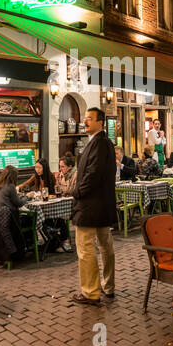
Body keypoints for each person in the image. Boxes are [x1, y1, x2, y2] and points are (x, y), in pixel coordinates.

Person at [71, 107, 117, 306]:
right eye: (84, 118)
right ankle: (108, 286)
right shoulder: (103, 143)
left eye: (89, 118)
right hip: (102, 206)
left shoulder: (99, 144)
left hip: (90, 206)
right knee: (105, 246)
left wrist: (78, 192)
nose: (85, 122)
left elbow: (93, 174)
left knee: (85, 248)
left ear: (101, 122)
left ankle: (90, 291)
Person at [0, 166, 26, 266]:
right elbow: (18, 203)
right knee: (27, 220)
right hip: (9, 223)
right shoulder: (10, 187)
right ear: (13, 177)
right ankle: (20, 252)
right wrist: (27, 197)